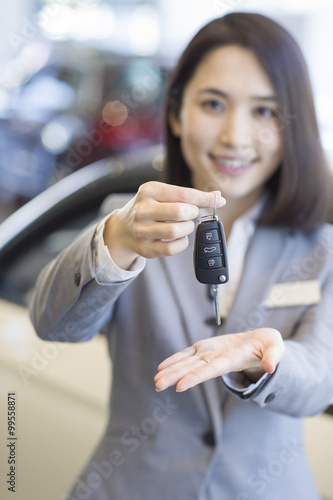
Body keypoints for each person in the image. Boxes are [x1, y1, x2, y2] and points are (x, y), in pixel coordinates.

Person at [29, 12, 333, 500]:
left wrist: (264, 361)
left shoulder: (321, 247)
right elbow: (52, 323)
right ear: (176, 112)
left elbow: (321, 377)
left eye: (264, 111)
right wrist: (118, 241)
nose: (235, 135)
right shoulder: (126, 222)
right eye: (214, 103)